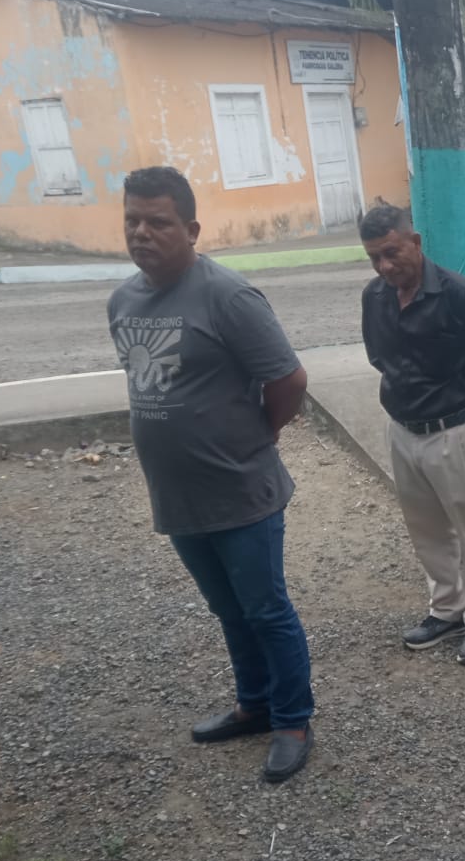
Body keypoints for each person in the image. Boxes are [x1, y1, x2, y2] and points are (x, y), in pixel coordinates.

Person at [107, 166, 314, 783]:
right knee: (227, 608)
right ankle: (254, 705)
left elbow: (289, 380)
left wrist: (262, 434)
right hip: (177, 496)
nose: (142, 233)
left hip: (241, 490)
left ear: (192, 229)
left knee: (265, 609)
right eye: (132, 221)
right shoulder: (122, 301)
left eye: (158, 222)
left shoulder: (228, 297)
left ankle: (292, 720)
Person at [359, 205, 465, 666]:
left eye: (391, 253)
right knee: (425, 527)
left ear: (415, 242)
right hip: (402, 432)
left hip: (454, 434)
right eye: (374, 257)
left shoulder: (458, 294)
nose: (384, 266)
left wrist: (451, 394)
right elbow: (378, 355)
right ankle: (446, 609)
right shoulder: (375, 297)